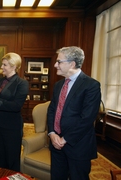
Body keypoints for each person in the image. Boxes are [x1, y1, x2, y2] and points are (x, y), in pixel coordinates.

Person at [47, 46, 101, 180]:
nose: (55, 65)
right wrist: (52, 133)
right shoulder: (58, 85)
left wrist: (64, 139)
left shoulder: (91, 85)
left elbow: (87, 119)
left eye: (59, 62)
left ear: (72, 64)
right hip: (56, 144)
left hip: (77, 145)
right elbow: (52, 110)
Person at [0, 52, 29, 171]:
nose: (1, 67)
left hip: (12, 127)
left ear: (13, 66)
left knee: (11, 158)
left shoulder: (22, 83)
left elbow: (16, 106)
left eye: (4, 65)